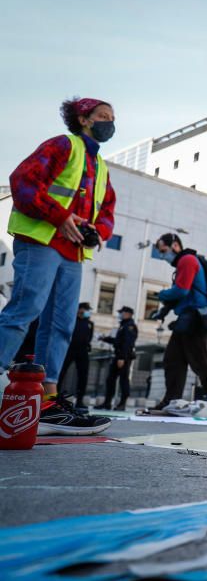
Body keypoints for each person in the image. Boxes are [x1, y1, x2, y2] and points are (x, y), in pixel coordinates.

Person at [0, 97, 116, 435]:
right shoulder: (63, 145)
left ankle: (47, 402)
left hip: (73, 251)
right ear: (83, 119)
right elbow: (22, 181)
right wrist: (60, 215)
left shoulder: (102, 166)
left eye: (112, 117)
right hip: (41, 240)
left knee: (61, 325)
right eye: (102, 116)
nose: (109, 122)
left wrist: (98, 231)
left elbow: (106, 209)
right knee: (25, 310)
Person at [153, 233, 207, 410]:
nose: (163, 256)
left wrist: (161, 295)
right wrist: (163, 311)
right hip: (188, 318)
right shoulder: (185, 261)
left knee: (200, 361)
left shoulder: (187, 260)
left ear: (175, 246)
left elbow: (181, 291)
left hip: (196, 318)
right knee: (173, 360)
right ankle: (172, 400)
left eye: (164, 251)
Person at [98, 306, 138, 411]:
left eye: (122, 312)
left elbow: (127, 344)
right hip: (119, 356)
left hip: (124, 357)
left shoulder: (130, 326)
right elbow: (118, 341)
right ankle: (107, 403)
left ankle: (122, 404)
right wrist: (105, 339)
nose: (120, 314)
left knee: (123, 381)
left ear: (128, 314)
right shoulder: (123, 325)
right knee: (110, 380)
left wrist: (122, 358)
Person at [57, 303, 94, 410]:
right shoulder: (72, 320)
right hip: (69, 349)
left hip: (83, 351)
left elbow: (89, 337)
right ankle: (54, 396)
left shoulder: (89, 323)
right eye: (84, 309)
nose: (86, 312)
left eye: (87, 310)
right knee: (61, 372)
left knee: (83, 375)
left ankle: (80, 400)